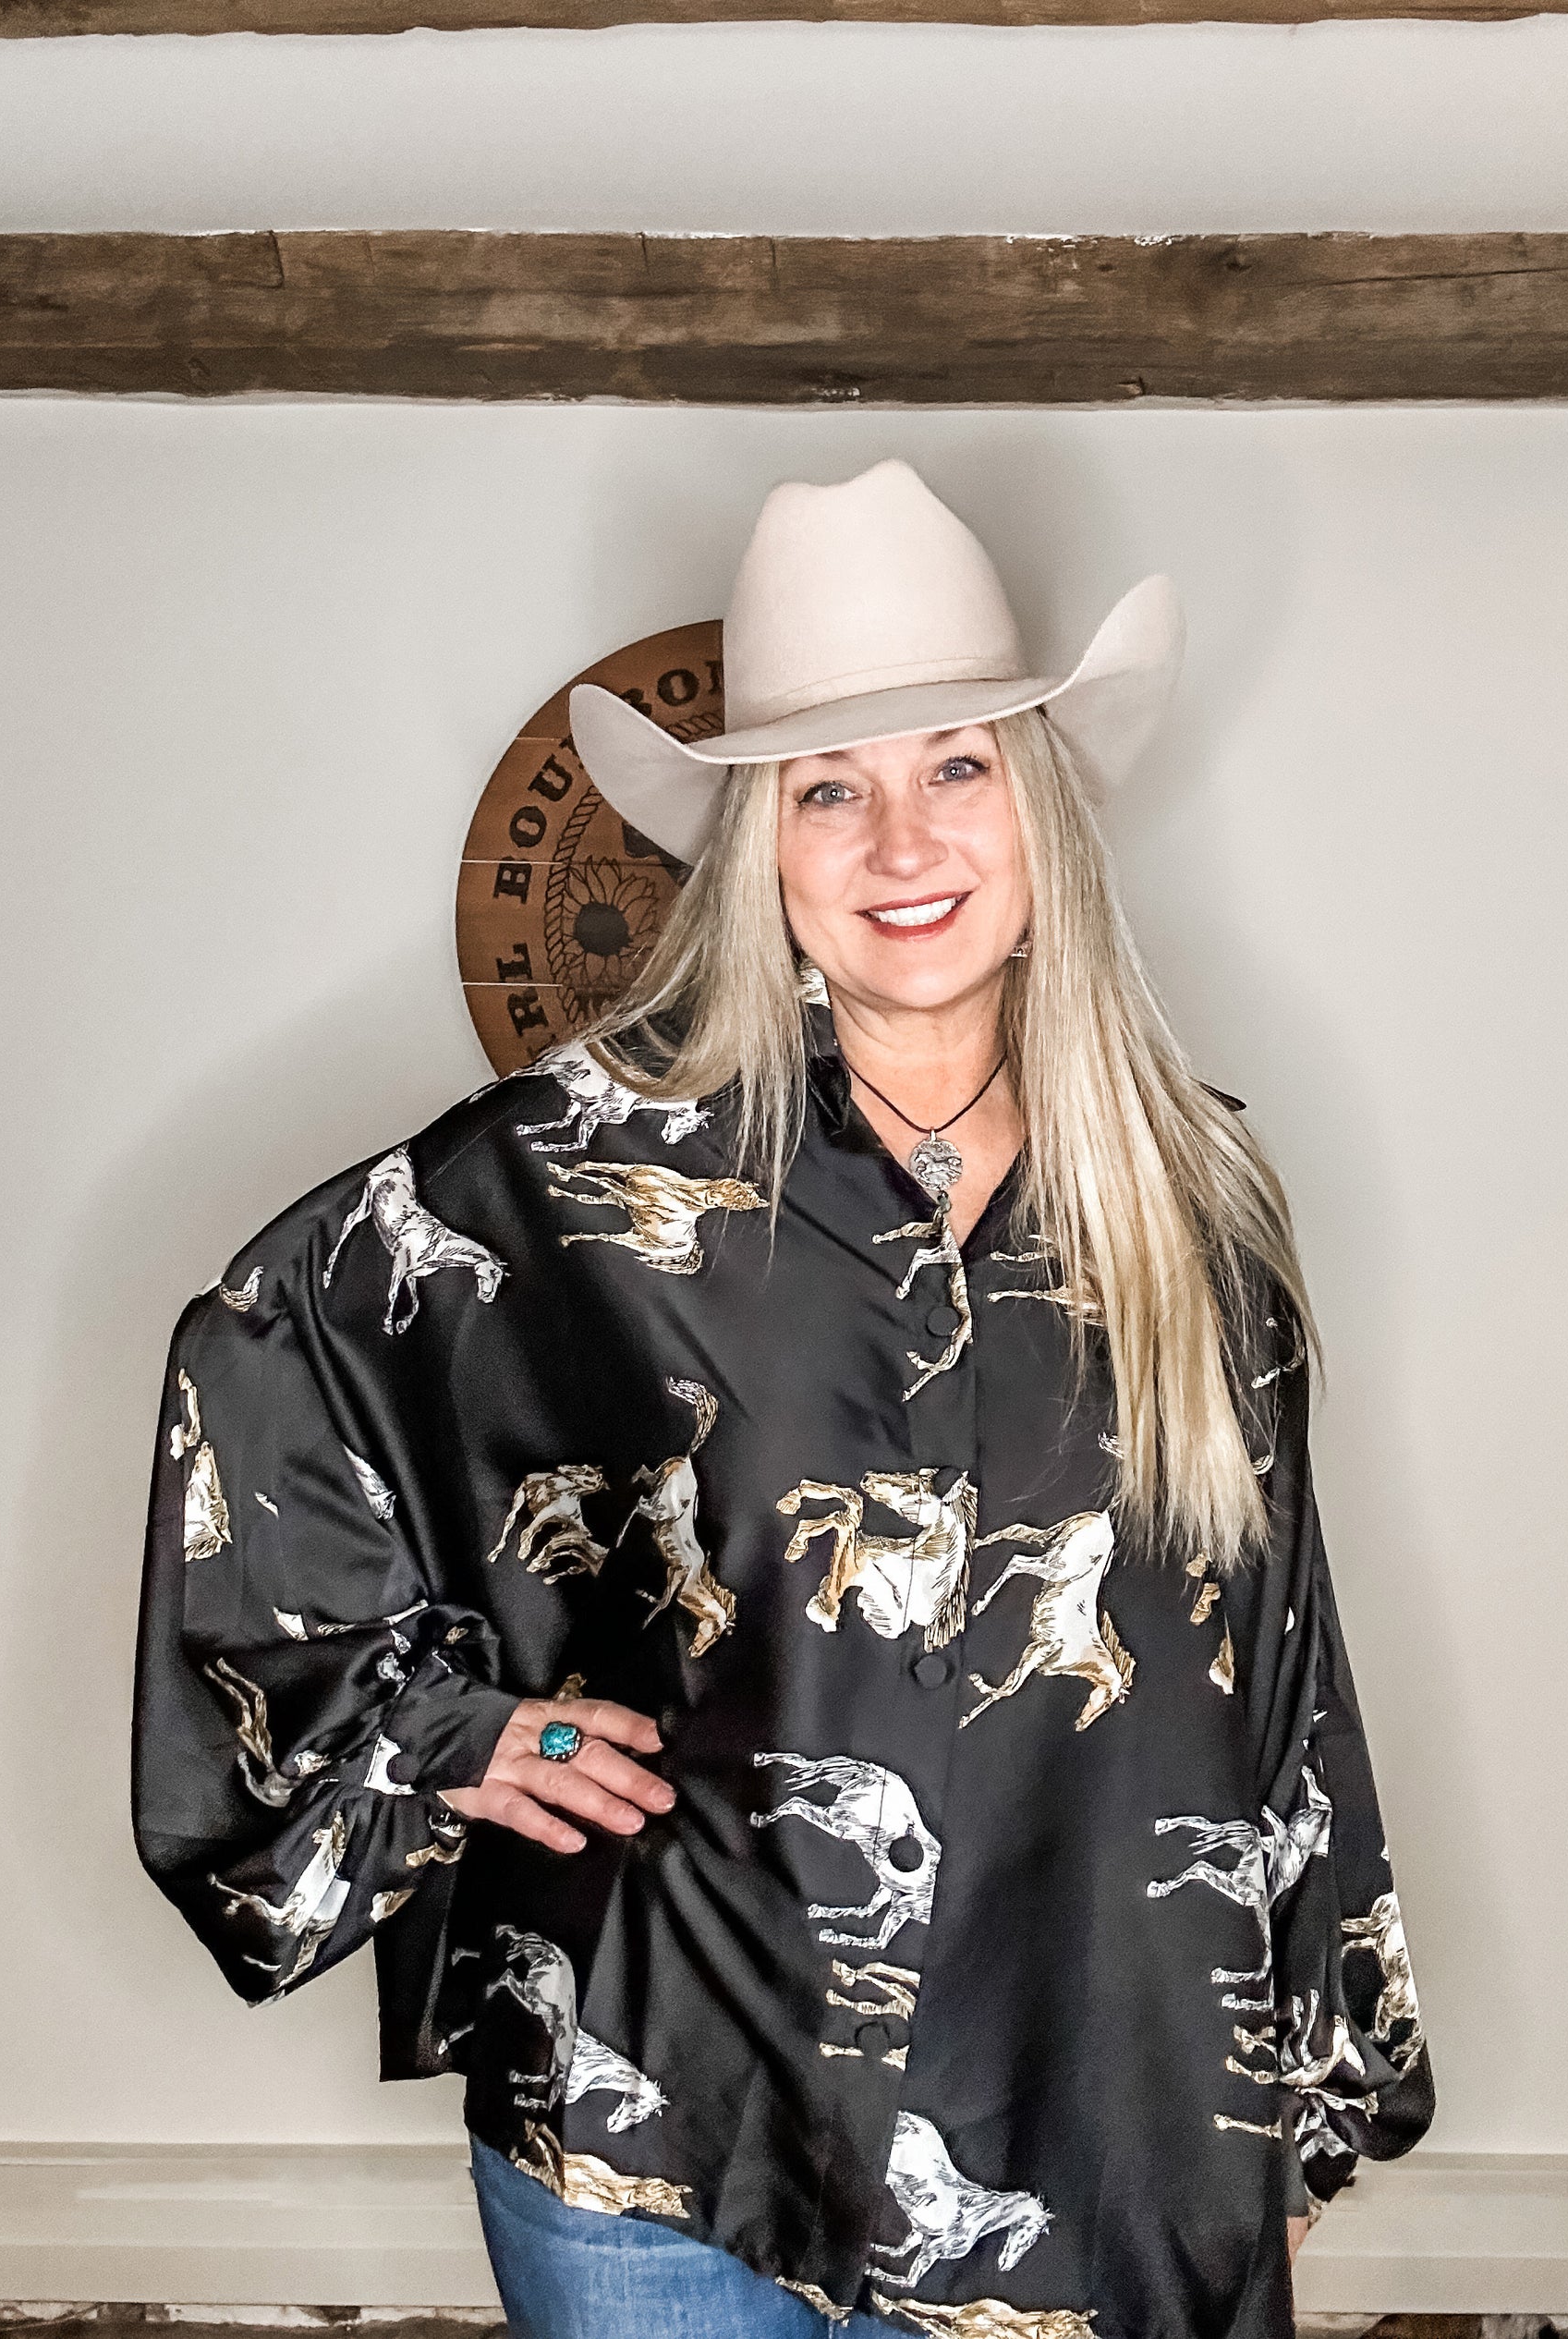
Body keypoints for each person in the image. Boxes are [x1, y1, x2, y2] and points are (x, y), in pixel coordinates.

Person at [132, 457, 1435, 2339]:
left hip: (1076, 2128)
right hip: (661, 2123)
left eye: (956, 765)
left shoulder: (1193, 1199)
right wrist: (446, 1730)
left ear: (1042, 806)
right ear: (762, 843)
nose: (900, 839)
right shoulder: (582, 1181)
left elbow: (1277, 1671)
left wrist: (1290, 2106)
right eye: (830, 786)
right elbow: (265, 1368)